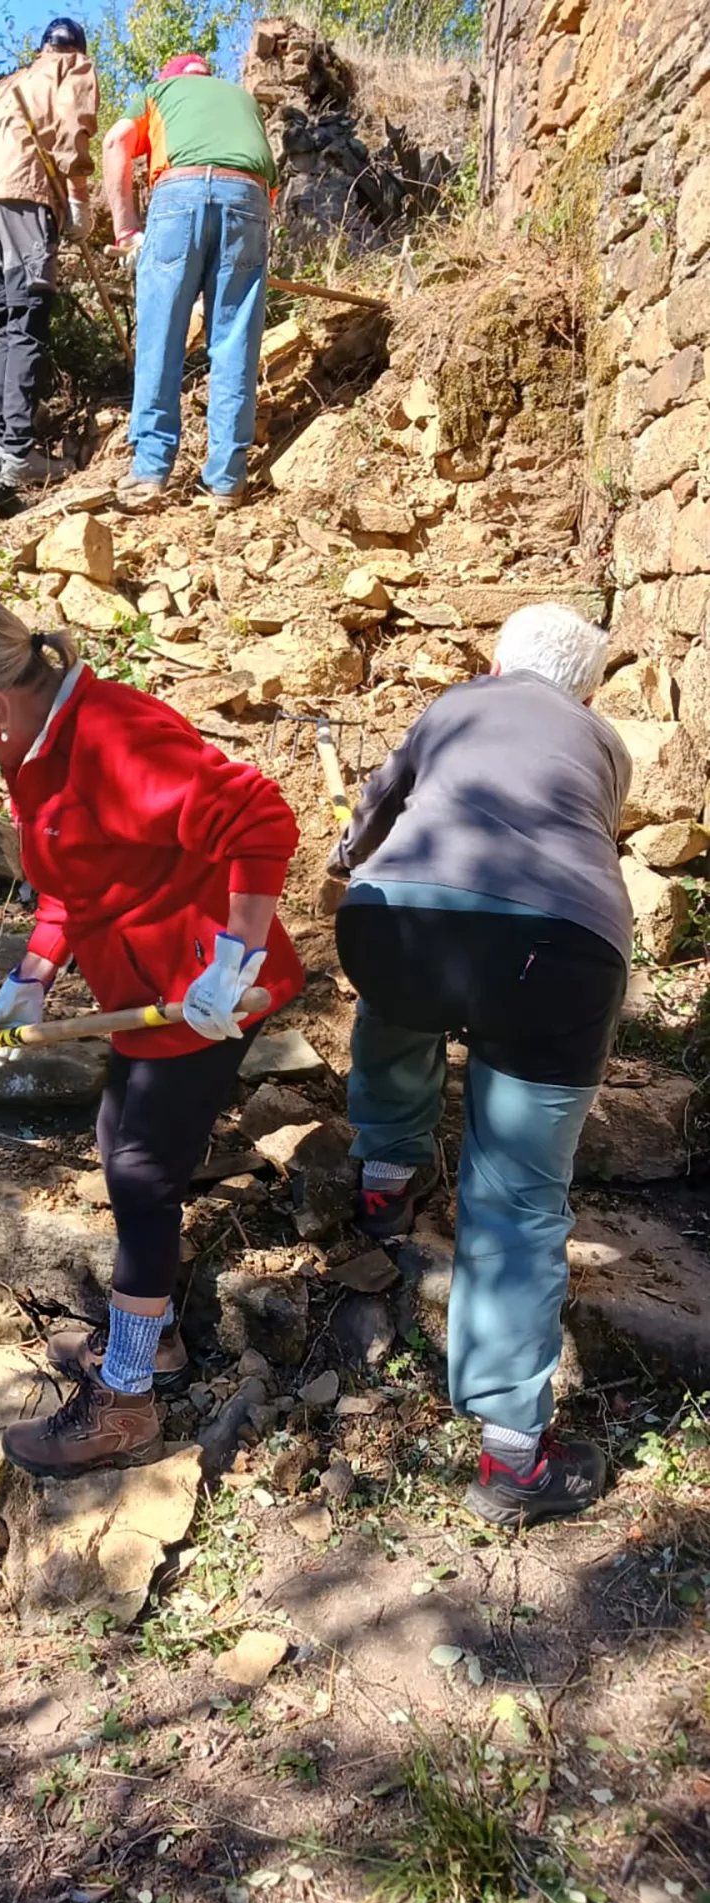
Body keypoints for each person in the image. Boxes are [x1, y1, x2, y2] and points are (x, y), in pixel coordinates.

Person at [0, 593, 303, 1477]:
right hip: (148, 988)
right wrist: (34, 973)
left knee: (142, 1174)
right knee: (119, 1142)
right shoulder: (36, 753)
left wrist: (235, 953)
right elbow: (71, 879)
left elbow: (259, 818)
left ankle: (124, 1403)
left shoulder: (114, 740)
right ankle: (152, 1338)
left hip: (202, 993)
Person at [326, 604, 632, 1528]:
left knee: (401, 1003)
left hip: (397, 924)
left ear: (497, 667)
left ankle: (386, 1179)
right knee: (520, 1198)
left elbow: (379, 804)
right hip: (558, 951)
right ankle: (512, 1460)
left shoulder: (456, 704)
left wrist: (348, 861)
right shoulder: (604, 743)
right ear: (586, 694)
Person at [101, 53, 278, 510]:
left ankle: (149, 472)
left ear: (171, 78)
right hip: (249, 197)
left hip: (179, 194)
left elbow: (115, 141)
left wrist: (127, 231)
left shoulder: (159, 92)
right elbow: (269, 190)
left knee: (161, 334)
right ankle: (227, 482)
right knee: (234, 339)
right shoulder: (243, 100)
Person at [0, 18, 99, 494]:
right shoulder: (71, 68)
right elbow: (73, 130)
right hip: (22, 195)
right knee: (27, 317)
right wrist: (78, 200)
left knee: (5, 326)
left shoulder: (7, 84)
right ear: (75, 48)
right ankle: (18, 452)